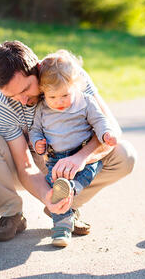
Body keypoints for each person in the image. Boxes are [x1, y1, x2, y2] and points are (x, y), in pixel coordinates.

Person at [0, 40, 136, 242]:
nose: (22, 100)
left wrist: (81, 158)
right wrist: (46, 194)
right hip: (26, 164)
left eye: (26, 89)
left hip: (71, 163)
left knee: (125, 155)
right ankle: (11, 215)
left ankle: (65, 208)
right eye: (12, 95)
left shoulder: (66, 74)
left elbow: (112, 129)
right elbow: (25, 165)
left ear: (37, 68)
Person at [29, 50, 118, 246]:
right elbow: (35, 130)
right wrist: (38, 143)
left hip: (83, 153)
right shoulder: (42, 108)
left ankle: (71, 188)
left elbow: (100, 121)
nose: (59, 101)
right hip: (56, 159)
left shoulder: (85, 102)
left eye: (65, 95)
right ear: (43, 91)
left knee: (86, 173)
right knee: (56, 191)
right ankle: (61, 230)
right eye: (52, 96)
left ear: (75, 86)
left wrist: (106, 135)